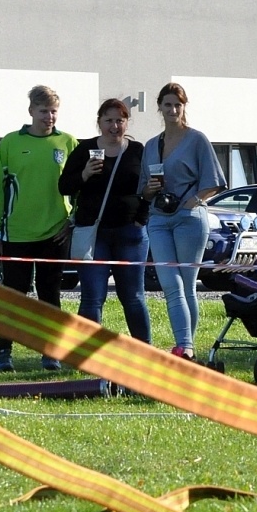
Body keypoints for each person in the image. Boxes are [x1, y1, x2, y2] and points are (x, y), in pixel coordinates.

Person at [0, 85, 77, 371]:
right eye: (43, 111)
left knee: (50, 294)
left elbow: (80, 187)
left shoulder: (68, 142)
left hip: (55, 232)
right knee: (14, 296)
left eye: (53, 111)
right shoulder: (10, 143)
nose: (49, 117)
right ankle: (4, 352)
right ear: (31, 111)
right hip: (17, 233)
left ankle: (50, 351)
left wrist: (73, 219)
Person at [139, 83, 225, 361]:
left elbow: (214, 182)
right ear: (159, 108)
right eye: (167, 104)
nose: (173, 109)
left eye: (178, 104)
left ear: (184, 107)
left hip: (189, 219)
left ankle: (185, 347)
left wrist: (194, 201)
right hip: (158, 219)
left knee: (186, 284)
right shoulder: (152, 145)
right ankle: (185, 346)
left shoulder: (197, 139)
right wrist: (150, 189)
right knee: (170, 282)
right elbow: (143, 189)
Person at [60, 98, 151, 343]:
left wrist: (141, 219)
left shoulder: (137, 150)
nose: (114, 126)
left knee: (133, 297)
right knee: (92, 296)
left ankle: (146, 353)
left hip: (130, 234)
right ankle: (87, 354)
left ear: (127, 123)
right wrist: (85, 173)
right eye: (108, 120)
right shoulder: (84, 149)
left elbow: (151, 187)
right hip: (93, 233)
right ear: (99, 122)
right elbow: (64, 186)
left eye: (119, 121)